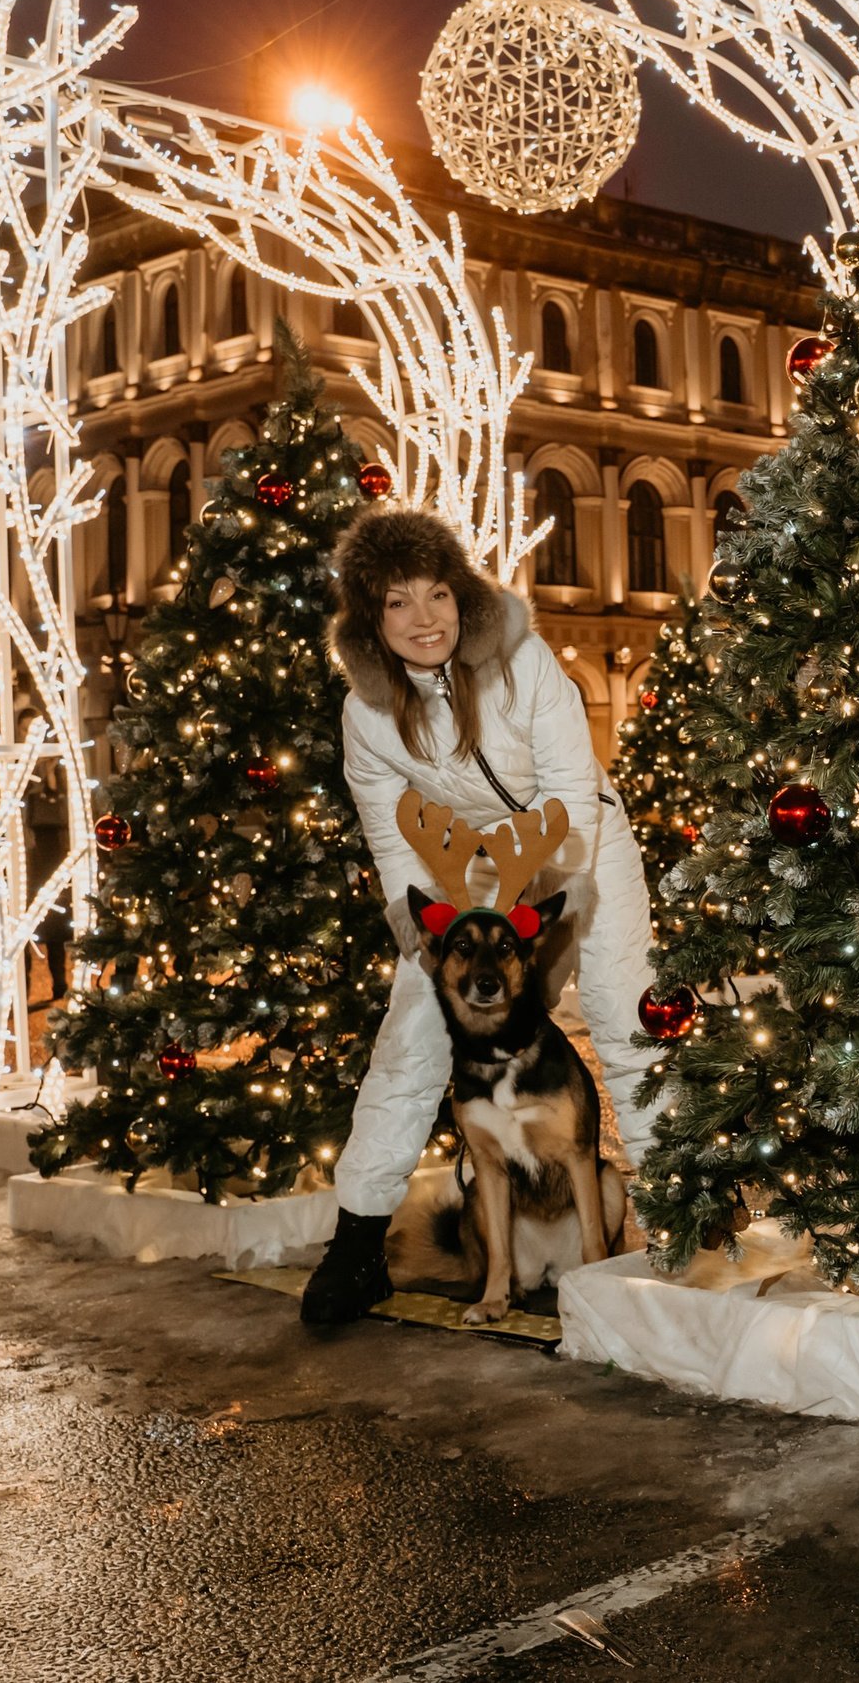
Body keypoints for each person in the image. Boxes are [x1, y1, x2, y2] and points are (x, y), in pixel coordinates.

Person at [299, 509, 665, 1324]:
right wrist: (421, 933)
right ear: (371, 617)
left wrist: (548, 912)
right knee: (411, 1031)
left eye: (438, 594)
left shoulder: (523, 661)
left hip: (578, 844)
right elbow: (392, 837)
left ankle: (674, 1223)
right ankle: (357, 1242)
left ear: (463, 598)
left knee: (620, 1007)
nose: (424, 619)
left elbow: (570, 790)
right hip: (463, 863)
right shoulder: (366, 713)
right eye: (398, 603)